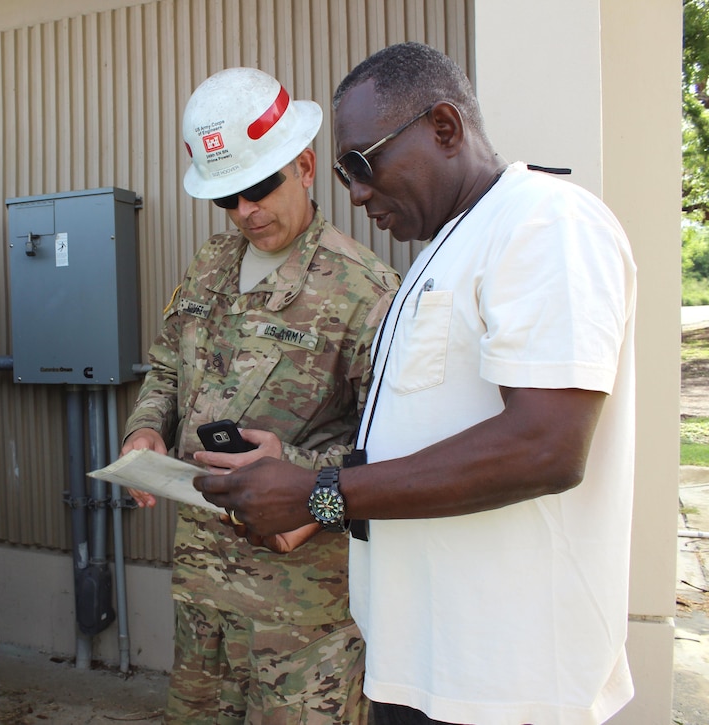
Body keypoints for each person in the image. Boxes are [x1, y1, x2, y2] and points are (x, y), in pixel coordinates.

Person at [194, 42, 638, 725]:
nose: (355, 192)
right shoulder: (444, 249)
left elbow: (546, 444)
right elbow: (420, 435)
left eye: (361, 164)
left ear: (444, 127)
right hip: (426, 667)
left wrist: (319, 495)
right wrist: (300, 480)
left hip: (505, 685)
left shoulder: (544, 222)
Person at [121, 67, 399, 724]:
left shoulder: (365, 290)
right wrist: (144, 430)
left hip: (301, 616)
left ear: (304, 165)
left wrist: (295, 468)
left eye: (258, 188)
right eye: (227, 198)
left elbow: (392, 448)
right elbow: (166, 366)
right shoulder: (210, 265)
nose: (245, 211)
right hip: (201, 592)